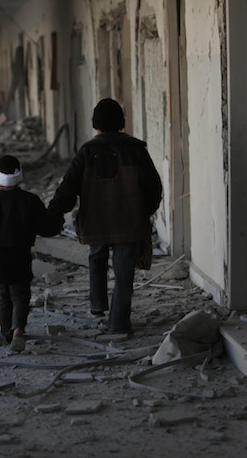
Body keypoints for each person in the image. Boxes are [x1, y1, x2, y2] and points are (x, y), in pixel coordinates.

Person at [48, 98, 162, 334]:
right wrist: (144, 212)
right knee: (124, 273)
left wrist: (54, 214)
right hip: (129, 222)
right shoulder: (136, 150)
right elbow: (154, 187)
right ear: (121, 122)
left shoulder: (87, 152)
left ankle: (98, 304)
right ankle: (119, 325)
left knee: (96, 257)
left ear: (95, 125)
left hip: (96, 221)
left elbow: (68, 187)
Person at [0, 155, 62, 352]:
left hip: (0, 258)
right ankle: (18, 329)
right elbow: (47, 227)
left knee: (3, 296)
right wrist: (58, 217)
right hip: (21, 256)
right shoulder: (30, 201)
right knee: (20, 295)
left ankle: (6, 333)